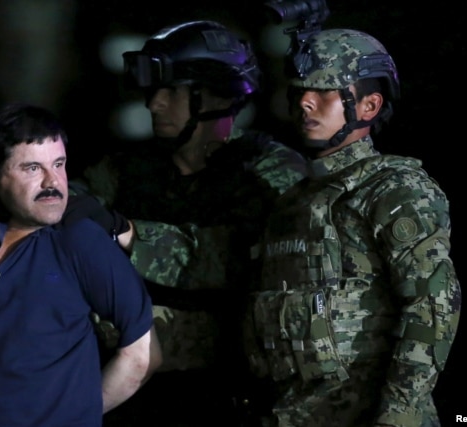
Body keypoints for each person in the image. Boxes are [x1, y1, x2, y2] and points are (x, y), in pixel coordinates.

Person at [68, 20, 307, 426]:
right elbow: (69, 204)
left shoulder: (270, 171)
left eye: (172, 91)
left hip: (226, 387)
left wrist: (128, 234)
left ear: (213, 96)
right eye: (154, 90)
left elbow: (234, 259)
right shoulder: (132, 169)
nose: (154, 104)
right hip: (134, 385)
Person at [242, 28, 461, 427]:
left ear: (369, 105)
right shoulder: (291, 203)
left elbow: (432, 305)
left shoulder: (393, 188)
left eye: (325, 90)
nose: (305, 102)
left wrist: (400, 413)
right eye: (300, 90)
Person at [0, 103, 162, 427]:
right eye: (32, 168)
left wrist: (73, 414)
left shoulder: (80, 241)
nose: (54, 182)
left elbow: (143, 355)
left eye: (59, 164)